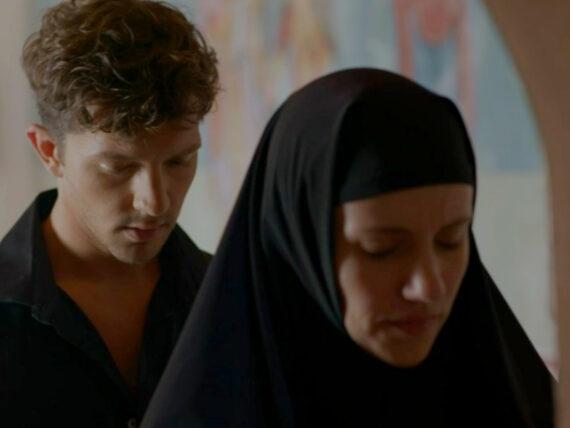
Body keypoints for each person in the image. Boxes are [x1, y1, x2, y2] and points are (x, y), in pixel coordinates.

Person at [141, 68, 554, 427]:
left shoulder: (511, 401)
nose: (429, 287)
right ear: (299, 247)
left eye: (451, 240)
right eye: (382, 248)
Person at [0, 0, 218, 426]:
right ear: (50, 151)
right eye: (118, 167)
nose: (155, 202)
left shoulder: (232, 297)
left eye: (179, 161)